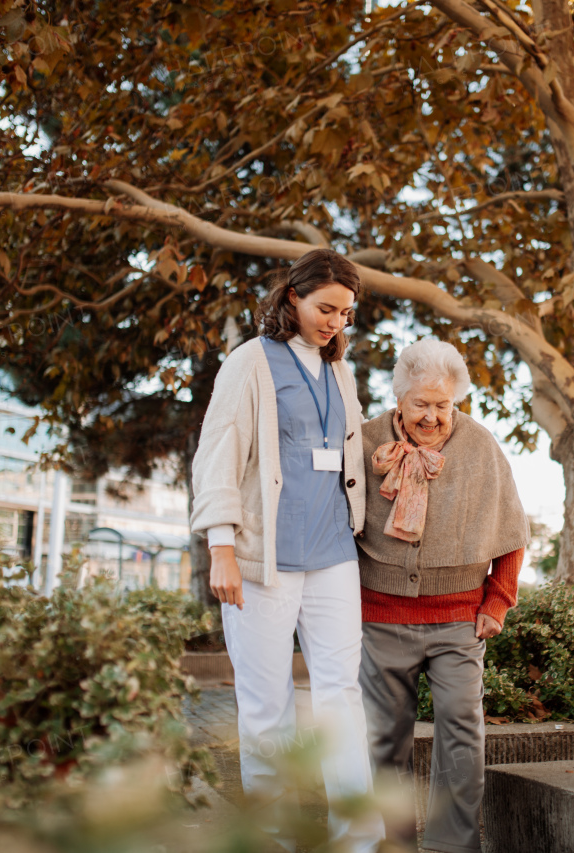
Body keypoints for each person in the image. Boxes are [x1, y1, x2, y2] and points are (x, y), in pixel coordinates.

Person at [190, 248, 383, 852]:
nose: (335, 322)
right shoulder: (250, 362)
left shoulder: (341, 373)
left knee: (341, 698)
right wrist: (221, 546)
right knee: (266, 704)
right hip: (261, 562)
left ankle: (359, 839)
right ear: (292, 298)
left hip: (333, 556)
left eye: (346, 314)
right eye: (326, 308)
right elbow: (219, 453)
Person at [356, 339, 529, 853]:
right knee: (384, 739)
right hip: (380, 615)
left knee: (461, 728)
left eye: (443, 405)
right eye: (421, 405)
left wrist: (496, 603)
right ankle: (394, 844)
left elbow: (511, 530)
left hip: (457, 619)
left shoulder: (480, 446)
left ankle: (452, 846)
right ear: (399, 400)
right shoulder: (364, 441)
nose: (432, 417)